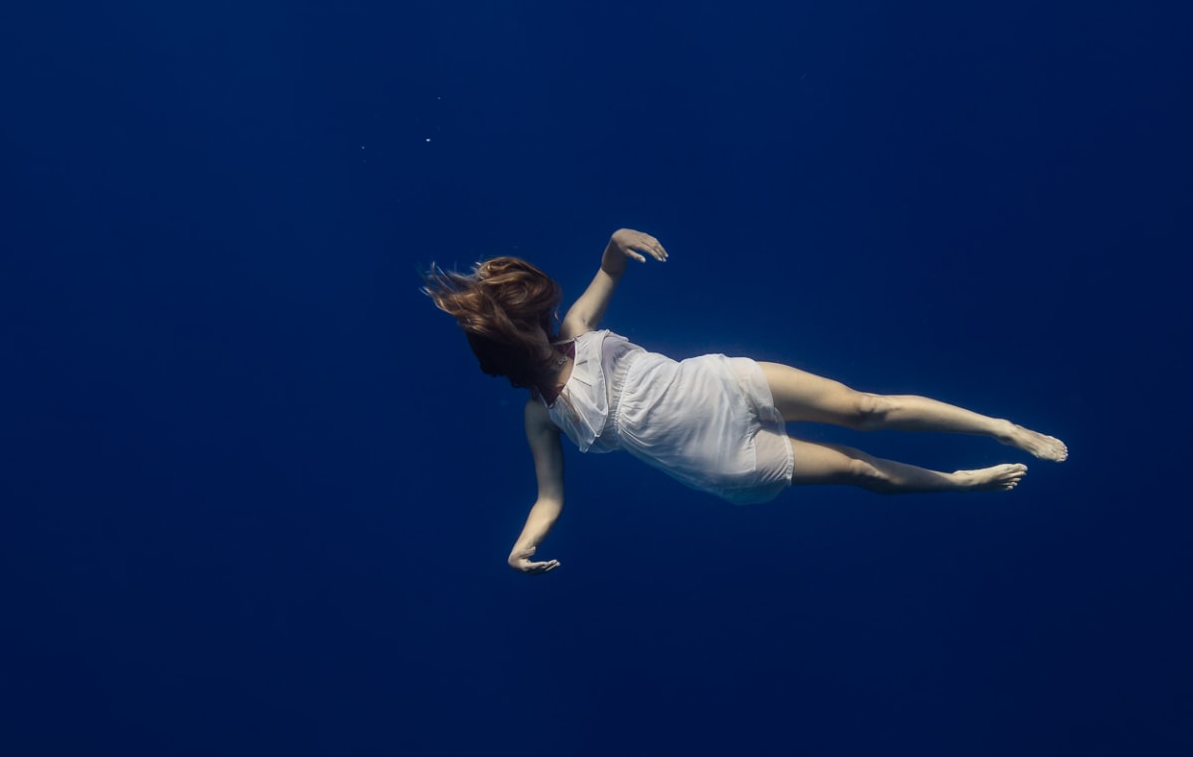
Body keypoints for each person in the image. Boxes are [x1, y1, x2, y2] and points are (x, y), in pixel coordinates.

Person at [422, 228, 1068, 573]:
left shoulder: (575, 335)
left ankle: (1001, 427)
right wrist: (522, 546)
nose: (551, 314)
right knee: (856, 468)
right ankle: (959, 483)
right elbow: (550, 496)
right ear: (514, 338)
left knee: (863, 406)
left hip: (722, 382)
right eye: (536, 315)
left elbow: (609, 271)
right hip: (719, 454)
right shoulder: (542, 416)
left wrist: (618, 241)